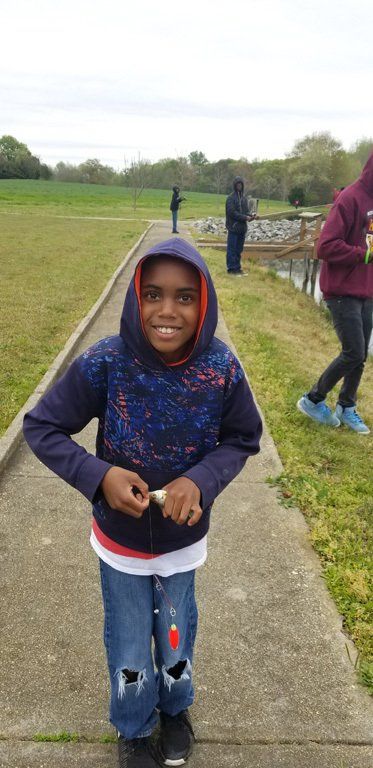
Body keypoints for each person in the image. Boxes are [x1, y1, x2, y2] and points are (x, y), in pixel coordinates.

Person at [23, 237, 262, 768]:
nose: (167, 311)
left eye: (185, 297)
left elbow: (244, 437)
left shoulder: (221, 368)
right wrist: (97, 473)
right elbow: (43, 427)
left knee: (176, 638)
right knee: (130, 642)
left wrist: (200, 480)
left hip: (181, 548)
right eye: (153, 294)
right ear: (135, 298)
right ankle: (133, 728)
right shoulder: (106, 362)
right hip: (120, 547)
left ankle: (175, 710)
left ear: (205, 303)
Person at [297, 152, 373, 434]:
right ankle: (313, 399)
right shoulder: (351, 198)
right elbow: (325, 246)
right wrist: (362, 255)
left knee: (361, 353)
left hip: (366, 289)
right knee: (353, 351)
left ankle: (347, 405)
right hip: (340, 289)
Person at [225, 176, 256, 275]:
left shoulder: (244, 198)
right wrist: (245, 218)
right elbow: (232, 213)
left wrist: (252, 216)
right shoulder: (230, 198)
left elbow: (246, 211)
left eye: (241, 184)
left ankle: (237, 268)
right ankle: (231, 269)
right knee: (232, 250)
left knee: (239, 250)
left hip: (242, 229)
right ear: (235, 185)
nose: (239, 186)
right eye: (238, 184)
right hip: (233, 228)